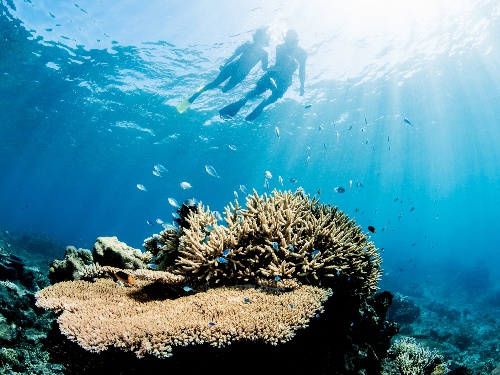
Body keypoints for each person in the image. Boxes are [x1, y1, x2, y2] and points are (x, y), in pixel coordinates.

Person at [219, 29, 306, 122]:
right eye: (288, 41)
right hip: (274, 75)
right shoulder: (280, 47)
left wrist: (302, 86)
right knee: (256, 91)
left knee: (271, 97)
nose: (290, 44)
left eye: (293, 41)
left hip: (283, 78)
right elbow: (281, 65)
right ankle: (240, 104)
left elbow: (302, 70)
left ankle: (260, 106)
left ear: (297, 40)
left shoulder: (301, 53)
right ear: (285, 39)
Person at [176, 28, 270, 113]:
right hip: (235, 68)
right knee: (214, 84)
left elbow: (264, 68)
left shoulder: (264, 53)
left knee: (224, 90)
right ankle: (196, 95)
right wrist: (224, 65)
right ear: (257, 37)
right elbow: (234, 55)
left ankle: (209, 87)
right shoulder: (248, 46)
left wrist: (273, 69)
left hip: (240, 73)